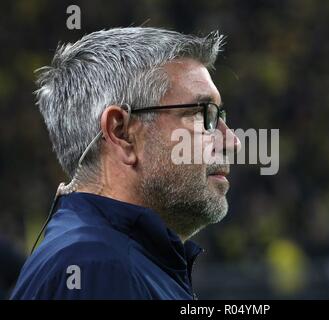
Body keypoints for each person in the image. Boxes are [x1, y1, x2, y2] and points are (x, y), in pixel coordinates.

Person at [11, 27, 240, 299]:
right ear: (122, 133)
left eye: (219, 115)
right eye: (203, 114)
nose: (231, 141)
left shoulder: (115, 260)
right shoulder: (97, 268)